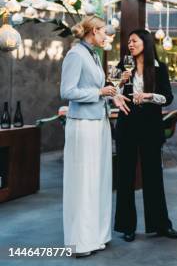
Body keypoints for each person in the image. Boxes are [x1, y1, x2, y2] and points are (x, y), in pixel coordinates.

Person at [112, 29, 177, 242]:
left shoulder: (159, 69)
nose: (130, 45)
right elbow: (108, 90)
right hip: (127, 126)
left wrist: (150, 96)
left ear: (145, 43)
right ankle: (127, 227)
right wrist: (119, 84)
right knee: (125, 177)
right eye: (129, 41)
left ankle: (161, 225)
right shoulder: (122, 66)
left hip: (150, 127)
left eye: (134, 41)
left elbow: (168, 98)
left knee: (153, 177)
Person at [60, 16, 116, 257]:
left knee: (99, 180)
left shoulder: (92, 53)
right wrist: (99, 92)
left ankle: (98, 235)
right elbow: (67, 91)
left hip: (99, 122)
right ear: (94, 31)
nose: (107, 36)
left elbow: (95, 88)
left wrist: (109, 94)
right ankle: (80, 242)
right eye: (105, 32)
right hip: (82, 125)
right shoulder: (75, 54)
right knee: (83, 182)